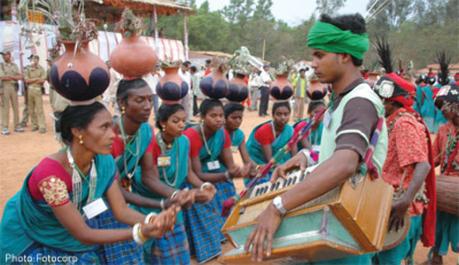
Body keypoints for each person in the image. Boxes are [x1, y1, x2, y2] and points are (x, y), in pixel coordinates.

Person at [244, 13, 389, 264]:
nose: (313, 63)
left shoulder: (360, 102)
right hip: (332, 230)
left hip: (345, 240)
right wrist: (306, 155)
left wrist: (278, 206)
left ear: (343, 55)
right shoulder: (342, 99)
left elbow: (345, 163)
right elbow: (338, 150)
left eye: (319, 55)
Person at [0, 101, 178, 265]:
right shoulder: (50, 176)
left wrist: (153, 220)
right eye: (104, 128)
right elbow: (83, 234)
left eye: (112, 126)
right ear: (78, 132)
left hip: (68, 235)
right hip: (29, 237)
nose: (113, 135)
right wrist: (140, 232)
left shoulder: (104, 161)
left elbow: (121, 210)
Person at [97, 78, 194, 265]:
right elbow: (116, 192)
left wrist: (175, 194)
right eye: (139, 100)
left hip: (123, 200)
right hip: (103, 201)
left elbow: (150, 177)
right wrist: (161, 203)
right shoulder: (109, 137)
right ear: (122, 103)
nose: (147, 106)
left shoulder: (145, 132)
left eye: (150, 99)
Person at [372, 38, 436, 265]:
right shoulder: (390, 120)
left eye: (382, 98)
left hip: (401, 207)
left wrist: (403, 203)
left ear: (393, 100)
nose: (378, 102)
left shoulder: (403, 124)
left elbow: (423, 165)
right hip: (388, 202)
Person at [181, 98, 250, 263]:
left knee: (227, 189)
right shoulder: (191, 135)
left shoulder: (223, 133)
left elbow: (230, 165)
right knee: (204, 197)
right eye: (213, 115)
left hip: (213, 172)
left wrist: (240, 171)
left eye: (221, 115)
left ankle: (223, 232)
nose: (219, 119)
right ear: (203, 117)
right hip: (191, 175)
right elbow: (197, 173)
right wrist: (228, 175)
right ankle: (205, 246)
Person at [149, 103, 217, 264]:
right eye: (175, 121)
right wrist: (175, 195)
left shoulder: (184, 141)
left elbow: (189, 173)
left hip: (175, 201)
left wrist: (203, 186)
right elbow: (149, 180)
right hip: (153, 202)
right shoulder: (152, 145)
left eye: (184, 120)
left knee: (180, 252)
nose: (182, 125)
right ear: (163, 123)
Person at [429, 85, 459, 265]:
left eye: (444, 107)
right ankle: (435, 258)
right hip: (445, 187)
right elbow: (434, 159)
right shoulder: (443, 130)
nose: (442, 111)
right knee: (437, 226)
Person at [246, 101, 296, 185]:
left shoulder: (290, 130)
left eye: (286, 114)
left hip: (278, 163)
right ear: (273, 115)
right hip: (260, 163)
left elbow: (294, 154)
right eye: (279, 114)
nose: (283, 117)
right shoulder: (265, 130)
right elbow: (269, 160)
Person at [293, 100, 326, 165]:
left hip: (316, 153)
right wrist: (318, 159)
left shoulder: (323, 126)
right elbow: (307, 146)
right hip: (302, 154)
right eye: (316, 112)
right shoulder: (303, 126)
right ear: (309, 112)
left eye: (322, 113)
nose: (319, 115)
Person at [0, 51, 24, 135]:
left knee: (16, 107)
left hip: (13, 88)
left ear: (9, 55)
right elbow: (2, 77)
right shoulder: (1, 66)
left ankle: (17, 126)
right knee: (5, 108)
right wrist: (14, 77)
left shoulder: (14, 65)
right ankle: (4, 127)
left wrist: (11, 77)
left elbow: (21, 76)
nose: (3, 57)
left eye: (5, 55)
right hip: (5, 88)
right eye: (2, 56)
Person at [24, 55, 47, 133]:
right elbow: (26, 80)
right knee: (31, 109)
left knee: (39, 109)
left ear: (38, 60)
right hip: (30, 91)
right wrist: (36, 79)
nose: (34, 61)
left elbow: (43, 80)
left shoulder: (41, 69)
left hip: (37, 90)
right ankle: (34, 125)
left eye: (36, 59)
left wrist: (32, 80)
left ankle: (42, 126)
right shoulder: (28, 69)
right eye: (33, 59)